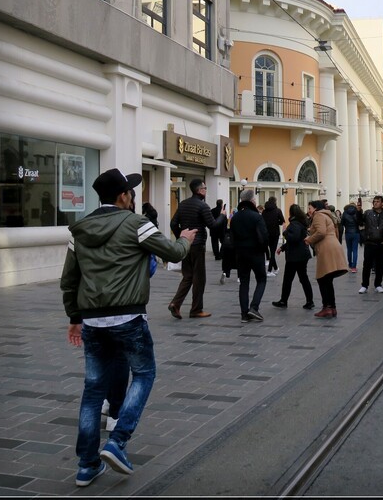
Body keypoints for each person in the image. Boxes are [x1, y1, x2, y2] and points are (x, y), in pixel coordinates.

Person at [60, 168, 196, 486]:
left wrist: (74, 318)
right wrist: (186, 239)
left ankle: (86, 465)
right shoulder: (136, 224)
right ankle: (118, 441)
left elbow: (69, 281)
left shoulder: (78, 231)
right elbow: (173, 253)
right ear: (123, 196)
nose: (133, 196)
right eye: (131, 192)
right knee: (145, 374)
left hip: (92, 321)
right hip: (128, 318)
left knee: (93, 390)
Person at [168, 179, 226, 319]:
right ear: (199, 190)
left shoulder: (182, 204)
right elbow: (212, 225)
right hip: (198, 245)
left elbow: (173, 223)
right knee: (199, 279)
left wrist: (181, 238)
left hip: (186, 245)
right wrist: (222, 217)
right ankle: (196, 309)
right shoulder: (202, 206)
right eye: (205, 188)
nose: (206, 190)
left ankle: (175, 303)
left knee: (187, 276)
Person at [304, 200, 348, 318]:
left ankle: (327, 307)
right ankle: (332, 307)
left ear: (316, 208)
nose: (309, 210)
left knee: (322, 278)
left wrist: (309, 239)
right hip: (332, 246)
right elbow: (335, 232)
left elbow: (321, 232)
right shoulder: (328, 216)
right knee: (327, 279)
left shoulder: (318, 216)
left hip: (326, 248)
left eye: (310, 208)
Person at [230, 189, 267, 324]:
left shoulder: (235, 217)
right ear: (252, 201)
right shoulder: (257, 216)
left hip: (241, 254)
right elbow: (263, 237)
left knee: (244, 283)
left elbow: (232, 237)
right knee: (261, 279)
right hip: (256, 253)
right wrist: (264, 251)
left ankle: (244, 314)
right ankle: (254, 307)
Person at [272, 204, 315, 310]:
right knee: (302, 278)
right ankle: (309, 301)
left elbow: (294, 238)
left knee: (288, 279)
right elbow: (297, 240)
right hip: (301, 254)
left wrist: (285, 232)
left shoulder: (295, 224)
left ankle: (284, 301)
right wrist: (283, 247)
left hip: (295, 256)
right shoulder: (300, 222)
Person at [358, 195, 383, 294]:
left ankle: (378, 284)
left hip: (381, 243)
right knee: (367, 265)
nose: (375, 203)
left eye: (378, 201)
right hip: (370, 242)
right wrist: (358, 211)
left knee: (379, 265)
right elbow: (359, 221)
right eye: (374, 201)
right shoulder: (368, 213)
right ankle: (364, 285)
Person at [261, 196, 285, 277]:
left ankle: (275, 268)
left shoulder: (264, 211)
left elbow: (262, 222)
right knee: (272, 251)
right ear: (275, 202)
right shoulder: (278, 211)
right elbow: (282, 221)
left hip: (266, 234)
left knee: (271, 251)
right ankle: (269, 270)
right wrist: (276, 222)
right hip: (275, 233)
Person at [340, 202, 363, 273]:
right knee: (355, 250)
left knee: (349, 250)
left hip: (348, 233)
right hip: (356, 233)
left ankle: (350, 264)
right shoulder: (357, 212)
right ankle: (354, 267)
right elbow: (360, 223)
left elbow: (342, 223)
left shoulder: (345, 213)